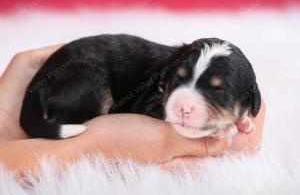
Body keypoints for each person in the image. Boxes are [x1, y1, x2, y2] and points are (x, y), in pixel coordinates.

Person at [0, 44, 266, 174]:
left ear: (249, 102)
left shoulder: (247, 97)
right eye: (180, 81)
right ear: (168, 77)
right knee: (93, 88)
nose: (185, 105)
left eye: (217, 91)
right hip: (78, 74)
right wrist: (88, 145)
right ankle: (58, 120)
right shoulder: (159, 86)